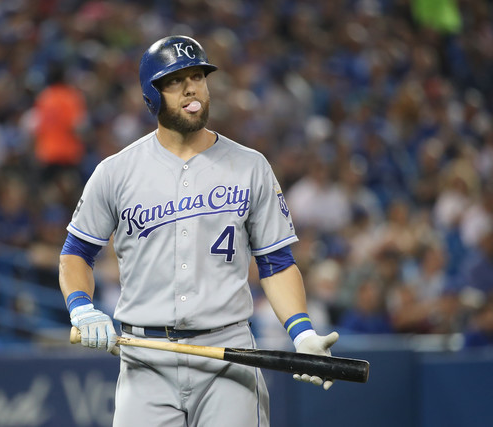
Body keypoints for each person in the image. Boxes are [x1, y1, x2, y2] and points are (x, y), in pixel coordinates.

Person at [59, 35, 339, 427]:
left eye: (198, 76)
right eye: (175, 80)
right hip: (146, 358)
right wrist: (82, 307)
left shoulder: (250, 166)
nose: (191, 87)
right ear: (151, 95)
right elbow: (76, 253)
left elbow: (276, 263)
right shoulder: (116, 172)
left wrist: (302, 333)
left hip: (229, 355)